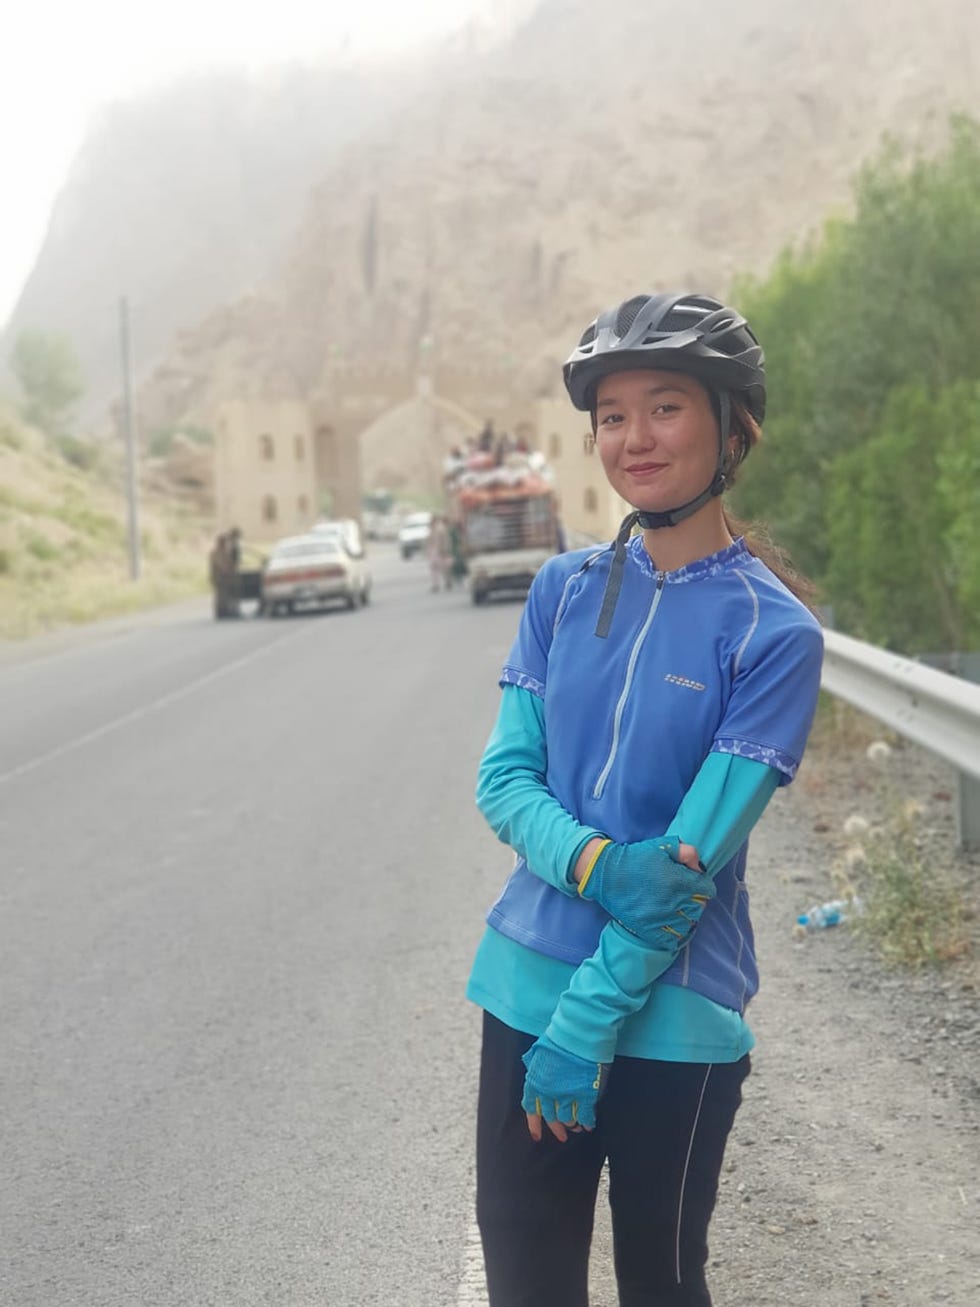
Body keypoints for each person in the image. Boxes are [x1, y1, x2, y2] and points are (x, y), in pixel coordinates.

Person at [467, 291, 824, 1307]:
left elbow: (678, 876)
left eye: (664, 406)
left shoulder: (772, 633)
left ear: (729, 427)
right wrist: (590, 863)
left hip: (671, 1022)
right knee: (526, 1290)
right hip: (521, 990)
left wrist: (583, 1028)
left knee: (661, 1288)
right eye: (612, 415)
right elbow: (504, 778)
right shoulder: (561, 591)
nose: (634, 437)